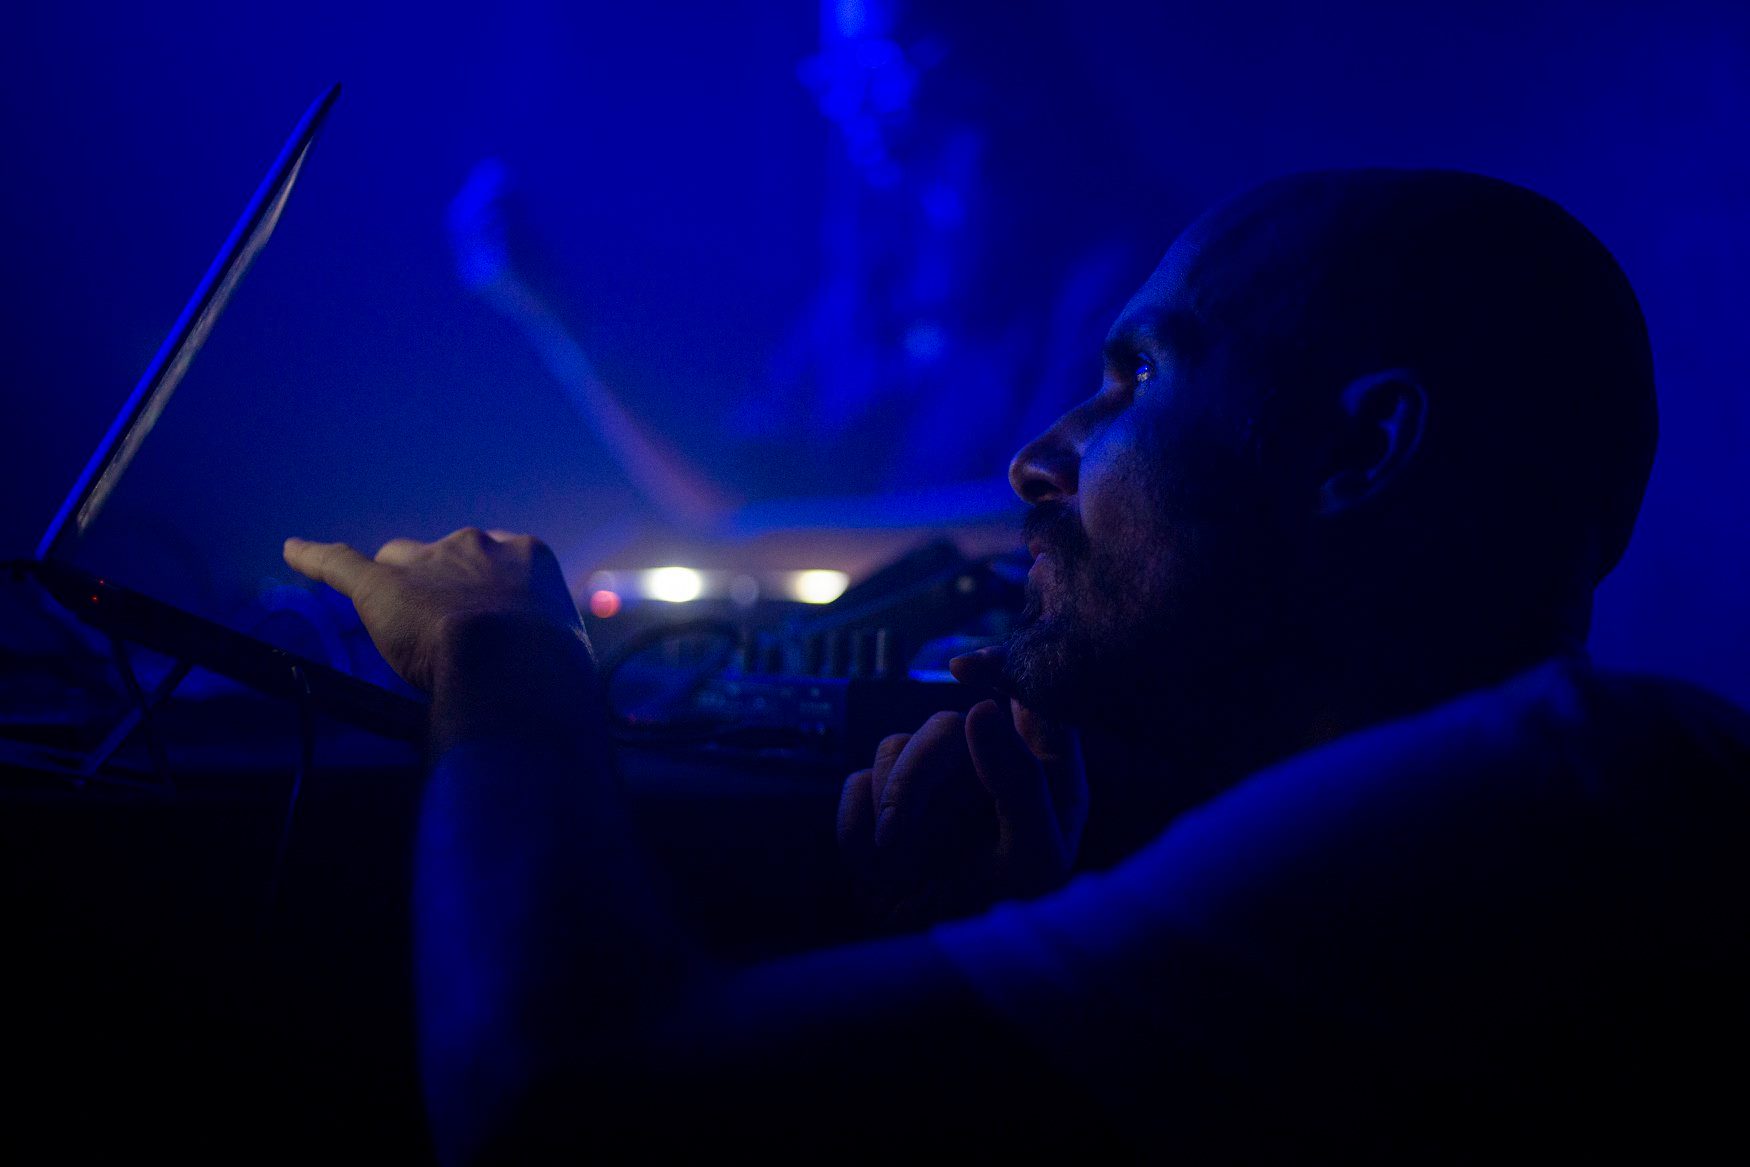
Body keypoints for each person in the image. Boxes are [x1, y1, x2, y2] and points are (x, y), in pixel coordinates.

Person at [284, 169, 1749, 1161]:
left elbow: (552, 1110)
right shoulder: (1538, 810)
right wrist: (991, 987)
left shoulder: (1551, 801)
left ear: (1361, 449)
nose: (1036, 459)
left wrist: (503, 651)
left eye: (1137, 378)